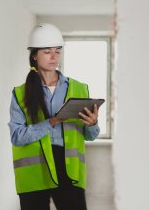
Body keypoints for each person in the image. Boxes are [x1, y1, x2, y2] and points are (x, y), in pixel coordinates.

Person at [8, 22, 100, 210]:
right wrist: (51, 122)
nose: (54, 57)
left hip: (68, 169)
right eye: (47, 51)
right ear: (34, 55)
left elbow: (91, 135)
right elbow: (17, 136)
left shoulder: (79, 88)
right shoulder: (20, 93)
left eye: (57, 51)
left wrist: (93, 124)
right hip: (35, 172)